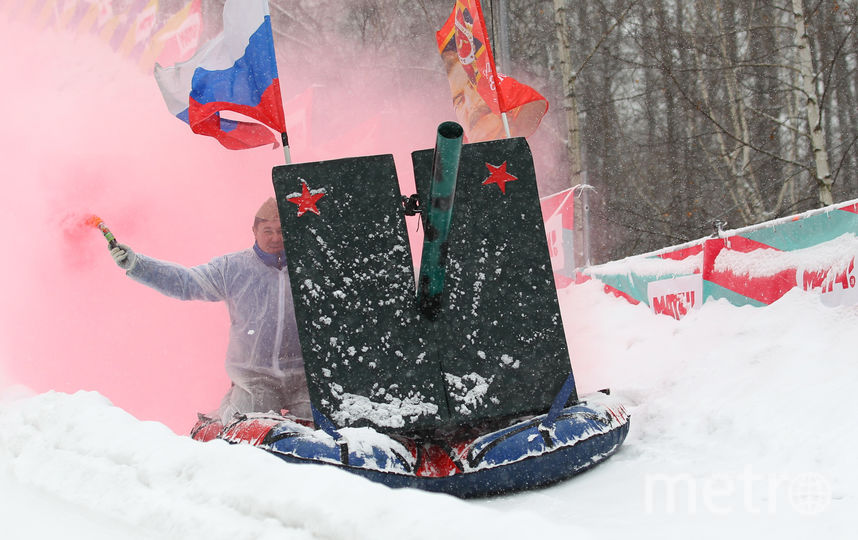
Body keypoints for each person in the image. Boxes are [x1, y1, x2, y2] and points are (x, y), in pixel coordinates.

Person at [109, 197, 312, 424]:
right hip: (255, 377)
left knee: (318, 424)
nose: (275, 238)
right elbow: (187, 282)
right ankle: (222, 416)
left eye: (281, 231)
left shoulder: (310, 266)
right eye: (268, 231)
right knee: (253, 422)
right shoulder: (231, 268)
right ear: (254, 230)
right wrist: (138, 265)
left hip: (303, 376)